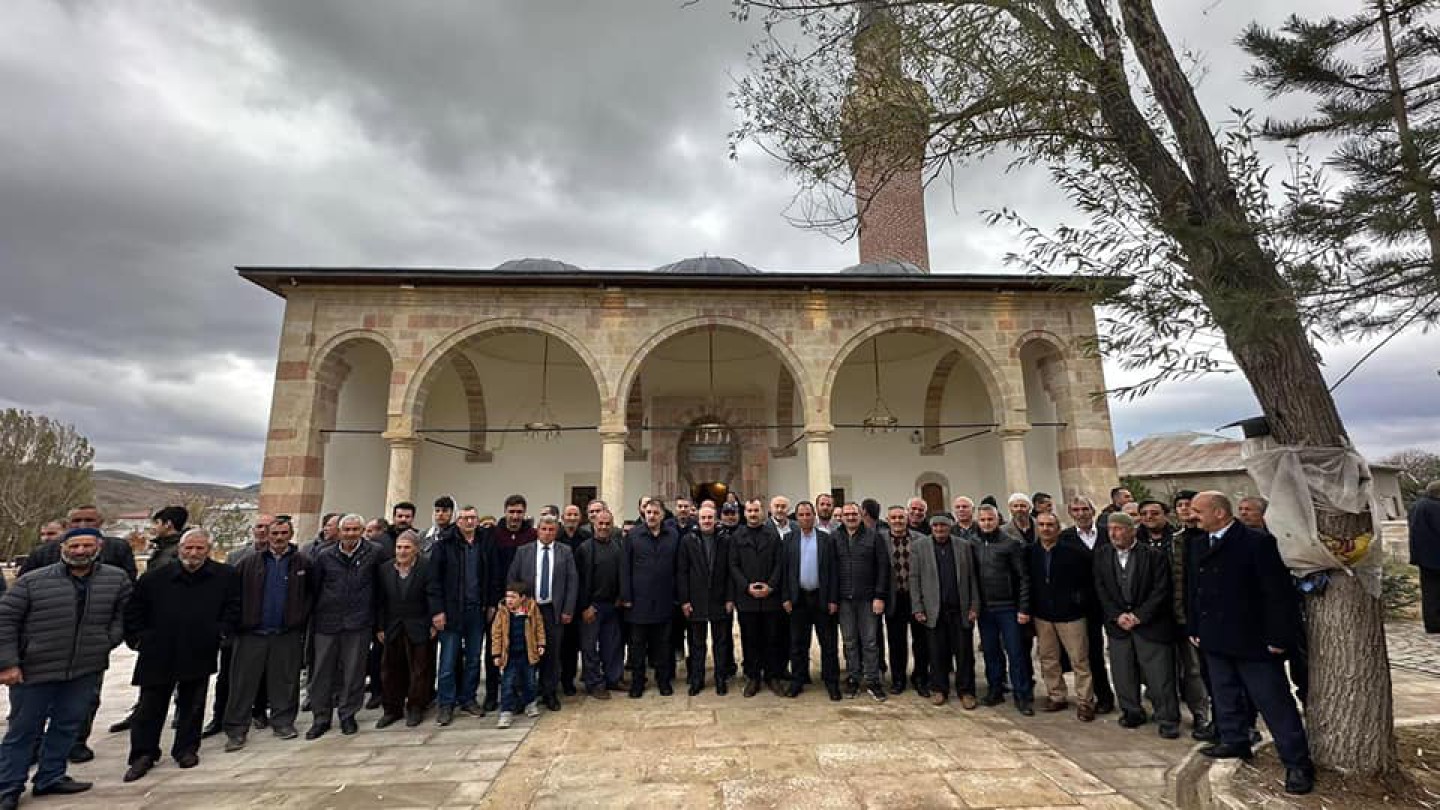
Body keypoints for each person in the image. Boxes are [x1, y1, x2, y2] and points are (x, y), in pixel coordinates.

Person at [1188, 492, 1314, 795]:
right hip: (1214, 637)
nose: (1193, 516)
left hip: (1254, 640)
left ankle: (1297, 763)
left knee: (1274, 702)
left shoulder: (1257, 543)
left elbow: (1277, 594)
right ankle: (1234, 740)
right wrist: (1195, 626)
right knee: (1225, 695)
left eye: (1198, 510)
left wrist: (1278, 638)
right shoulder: (1197, 544)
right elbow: (1193, 589)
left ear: (1219, 513)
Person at [0, 528, 131, 805]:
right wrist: (8, 663)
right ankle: (8, 787)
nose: (80, 551)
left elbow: (122, 616)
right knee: (24, 730)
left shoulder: (116, 579)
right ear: (63, 547)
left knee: (67, 726)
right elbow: (6, 622)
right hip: (35, 669)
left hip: (84, 669)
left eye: (86, 546)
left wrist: (107, 641)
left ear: (99, 547)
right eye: (74, 546)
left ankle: (50, 777)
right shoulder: (32, 582)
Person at [121, 528, 240, 782]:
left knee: (192, 705)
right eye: (188, 548)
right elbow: (134, 611)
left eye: (199, 548)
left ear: (208, 550)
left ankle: (186, 749)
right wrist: (141, 638)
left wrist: (219, 633)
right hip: (158, 651)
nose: (193, 553)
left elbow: (233, 608)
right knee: (150, 706)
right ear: (180, 549)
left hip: (198, 649)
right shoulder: (155, 578)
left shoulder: (225, 576)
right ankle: (143, 753)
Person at [20, 505, 137, 761]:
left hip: (91, 643)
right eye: (76, 520)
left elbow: (127, 598)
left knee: (86, 697)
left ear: (101, 523)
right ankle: (34, 747)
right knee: (38, 700)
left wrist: (111, 636)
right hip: (46, 643)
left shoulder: (117, 549)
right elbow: (19, 597)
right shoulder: (45, 553)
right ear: (67, 524)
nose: (83, 523)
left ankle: (76, 742)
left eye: (89, 520)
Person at [223, 517, 313, 751]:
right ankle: (236, 729)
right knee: (242, 683)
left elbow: (310, 595)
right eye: (275, 533)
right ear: (267, 535)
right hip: (252, 633)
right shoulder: (248, 563)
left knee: (285, 680)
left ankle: (283, 722)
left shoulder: (302, 563)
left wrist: (299, 619)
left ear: (291, 534)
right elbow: (233, 596)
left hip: (286, 633)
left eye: (284, 533)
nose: (279, 538)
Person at [1093, 513, 1180, 739]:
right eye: (1110, 529)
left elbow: (1161, 589)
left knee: (1159, 676)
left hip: (1150, 625)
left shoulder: (1153, 555)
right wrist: (1117, 615)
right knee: (1123, 673)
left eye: (1119, 528)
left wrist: (1139, 616)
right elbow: (1101, 588)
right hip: (1118, 626)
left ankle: (1167, 719)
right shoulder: (1102, 555)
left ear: (1132, 530)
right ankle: (1131, 711)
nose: (1113, 533)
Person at [307, 514, 385, 739]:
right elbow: (315, 587)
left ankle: (347, 714)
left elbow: (379, 589)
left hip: (358, 621)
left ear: (362, 530)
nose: (351, 534)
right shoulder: (324, 556)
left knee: (354, 671)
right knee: (322, 671)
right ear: (340, 532)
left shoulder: (374, 553)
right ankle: (320, 717)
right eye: (347, 530)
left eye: (355, 529)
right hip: (327, 621)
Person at [427, 505, 496, 726]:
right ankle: (446, 703)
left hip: (477, 610)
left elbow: (492, 576)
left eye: (473, 518)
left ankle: (468, 698)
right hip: (451, 611)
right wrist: (437, 611)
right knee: (448, 660)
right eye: (465, 518)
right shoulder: (443, 545)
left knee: (474, 658)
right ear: (458, 522)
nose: (469, 522)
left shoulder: (485, 544)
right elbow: (434, 581)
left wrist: (491, 603)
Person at [1026, 513, 1095, 721]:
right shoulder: (1030, 552)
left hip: (1071, 616)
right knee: (1048, 658)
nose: (1046, 528)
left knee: (1079, 660)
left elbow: (1088, 582)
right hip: (1043, 615)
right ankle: (1056, 695)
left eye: (1050, 525)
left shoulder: (1074, 552)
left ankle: (1085, 701)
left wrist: (1078, 602)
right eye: (1042, 525)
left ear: (1057, 528)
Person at [209, 514, 273, 737]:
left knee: (262, 673)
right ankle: (220, 716)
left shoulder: (284, 557)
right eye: (259, 526)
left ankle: (259, 711)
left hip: (265, 625)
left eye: (267, 527)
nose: (263, 530)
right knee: (227, 675)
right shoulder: (237, 556)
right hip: (238, 626)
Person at [908, 514, 981, 708]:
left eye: (943, 526)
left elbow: (972, 577)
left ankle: (966, 691)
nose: (939, 529)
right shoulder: (919, 547)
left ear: (950, 527)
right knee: (936, 652)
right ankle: (939, 689)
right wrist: (917, 607)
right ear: (931, 528)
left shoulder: (963, 546)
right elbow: (914, 578)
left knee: (964, 653)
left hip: (960, 609)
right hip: (933, 610)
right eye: (936, 526)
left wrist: (974, 606)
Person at [507, 515, 577, 711]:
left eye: (551, 530)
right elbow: (513, 578)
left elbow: (572, 583)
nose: (547, 533)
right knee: (526, 651)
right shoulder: (523, 551)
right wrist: (517, 604)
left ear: (556, 531)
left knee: (552, 654)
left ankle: (550, 693)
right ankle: (524, 695)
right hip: (529, 609)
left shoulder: (565, 552)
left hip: (553, 610)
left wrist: (568, 609)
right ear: (538, 530)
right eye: (544, 529)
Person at [973, 504, 1033, 714]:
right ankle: (995, 690)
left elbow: (1024, 578)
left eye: (990, 519)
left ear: (997, 520)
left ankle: (1022, 695)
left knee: (1016, 653)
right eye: (983, 520)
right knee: (991, 652)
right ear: (977, 521)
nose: (987, 523)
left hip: (1008, 607)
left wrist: (1023, 608)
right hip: (986, 609)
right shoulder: (974, 543)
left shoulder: (1011, 544)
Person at [1058, 496, 1115, 714]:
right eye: (1076, 510)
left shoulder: (1107, 534)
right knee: (1092, 653)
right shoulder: (1065, 538)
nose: (1081, 514)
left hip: (1111, 601)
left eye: (1085, 509)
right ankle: (1102, 696)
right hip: (1085, 604)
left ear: (1093, 511)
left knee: (1121, 652)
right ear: (1071, 513)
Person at [832, 501, 891, 702]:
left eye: (854, 514)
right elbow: (830, 570)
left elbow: (883, 569)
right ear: (841, 517)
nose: (850, 517)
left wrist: (879, 596)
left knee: (870, 642)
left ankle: (873, 680)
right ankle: (853, 678)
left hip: (868, 599)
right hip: (844, 599)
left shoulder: (874, 537)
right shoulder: (835, 537)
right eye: (846, 514)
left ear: (860, 515)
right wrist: (832, 599)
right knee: (849, 642)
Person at [375, 530, 435, 728]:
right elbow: (380, 601)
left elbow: (432, 596)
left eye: (407, 547)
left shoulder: (426, 568)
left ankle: (416, 707)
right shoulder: (384, 569)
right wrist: (380, 626)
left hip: (419, 625)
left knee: (419, 670)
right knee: (390, 670)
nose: (402, 551)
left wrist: (433, 622)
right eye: (399, 547)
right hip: (392, 626)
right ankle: (392, 709)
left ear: (416, 549)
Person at [780, 501, 839, 700]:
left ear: (814, 516)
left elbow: (833, 572)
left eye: (808, 514)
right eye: (801, 515)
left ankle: (831, 682)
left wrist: (832, 599)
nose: (805, 518)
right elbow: (784, 571)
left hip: (821, 598)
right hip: (798, 599)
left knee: (828, 644)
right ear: (795, 518)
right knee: (797, 644)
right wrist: (786, 597)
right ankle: (798, 680)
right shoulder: (788, 539)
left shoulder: (826, 539)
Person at [621, 501, 679, 697]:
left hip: (664, 599)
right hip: (639, 601)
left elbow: (678, 567)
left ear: (662, 515)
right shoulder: (633, 536)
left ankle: (663, 681)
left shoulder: (672, 536)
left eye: (655, 512)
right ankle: (638, 682)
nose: (651, 516)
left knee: (663, 644)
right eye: (648, 512)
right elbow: (625, 568)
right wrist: (626, 596)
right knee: (637, 646)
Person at [729, 498, 786, 697]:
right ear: (745, 513)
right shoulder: (737, 536)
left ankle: (772, 676)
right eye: (749, 511)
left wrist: (770, 586)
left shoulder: (772, 535)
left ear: (762, 512)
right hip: (747, 599)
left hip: (770, 598)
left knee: (772, 639)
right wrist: (747, 587)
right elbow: (733, 565)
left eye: (756, 511)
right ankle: (753, 677)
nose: (753, 514)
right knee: (750, 639)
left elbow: (780, 563)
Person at [679, 504, 735, 696]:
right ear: (698, 519)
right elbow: (682, 572)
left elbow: (730, 571)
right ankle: (697, 679)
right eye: (703, 518)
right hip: (696, 600)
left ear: (716, 519)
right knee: (696, 643)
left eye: (710, 518)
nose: (706, 521)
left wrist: (730, 598)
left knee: (720, 643)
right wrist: (685, 600)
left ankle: (720, 679)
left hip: (720, 599)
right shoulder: (688, 540)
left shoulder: (726, 540)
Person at [485, 495, 535, 712]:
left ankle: (520, 695)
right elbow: (487, 568)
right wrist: (491, 602)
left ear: (524, 513)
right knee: (495, 648)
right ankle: (491, 694)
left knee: (520, 649)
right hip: (497, 601)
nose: (515, 516)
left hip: (523, 600)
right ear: (505, 511)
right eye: (511, 511)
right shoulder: (492, 535)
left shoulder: (531, 535)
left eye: (519, 512)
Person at [576, 509, 627, 697]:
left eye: (607, 524)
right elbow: (579, 581)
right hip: (592, 606)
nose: (604, 527)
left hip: (612, 605)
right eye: (600, 524)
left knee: (612, 646)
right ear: (594, 525)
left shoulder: (617, 546)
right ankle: (594, 683)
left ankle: (613, 679)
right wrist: (584, 606)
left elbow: (622, 574)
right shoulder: (584, 549)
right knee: (589, 648)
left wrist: (621, 596)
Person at [881, 504, 929, 696]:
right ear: (888, 520)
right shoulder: (880, 540)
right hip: (894, 598)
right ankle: (898, 678)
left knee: (921, 641)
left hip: (916, 598)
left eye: (901, 517)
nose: (898, 521)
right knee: (896, 641)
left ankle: (920, 677)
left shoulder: (921, 540)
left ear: (907, 518)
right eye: (894, 518)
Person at [491, 581, 546, 729]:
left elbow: (539, 627)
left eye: (513, 597)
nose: (509, 600)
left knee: (530, 681)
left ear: (522, 598)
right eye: (507, 596)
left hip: (527, 654)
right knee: (507, 684)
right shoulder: (502, 613)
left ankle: (530, 703)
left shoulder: (531, 610)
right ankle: (506, 712)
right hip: (509, 656)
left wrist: (541, 644)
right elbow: (496, 634)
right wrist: (496, 654)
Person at [1410, 481, 1440, 634]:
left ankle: (1431, 623)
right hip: (1436, 555)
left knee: (1429, 591)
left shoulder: (1417, 506)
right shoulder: (1435, 507)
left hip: (1422, 556)